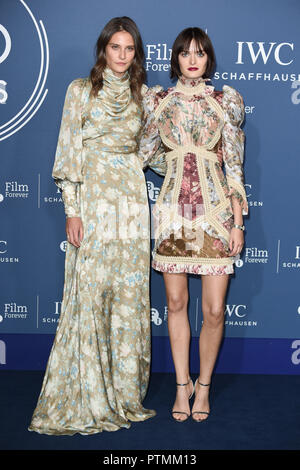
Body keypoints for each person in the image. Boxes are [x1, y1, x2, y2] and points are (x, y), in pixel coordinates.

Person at [28, 16, 166, 435]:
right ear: (103, 50)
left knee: (126, 295)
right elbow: (68, 151)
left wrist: (195, 159)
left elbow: (153, 155)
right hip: (92, 201)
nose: (122, 56)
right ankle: (86, 392)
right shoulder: (80, 91)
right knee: (90, 291)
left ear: (136, 53)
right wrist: (73, 209)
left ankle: (123, 393)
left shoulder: (145, 96)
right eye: (115, 47)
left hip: (129, 201)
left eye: (129, 49)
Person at [139, 27, 248, 422]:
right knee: (176, 302)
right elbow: (145, 151)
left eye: (199, 53)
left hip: (217, 214)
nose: (192, 59)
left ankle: (204, 385)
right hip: (173, 214)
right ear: (176, 59)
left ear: (208, 59)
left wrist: (237, 223)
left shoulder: (225, 102)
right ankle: (182, 386)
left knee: (215, 309)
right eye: (185, 53)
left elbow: (234, 166)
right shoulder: (160, 102)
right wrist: (173, 166)